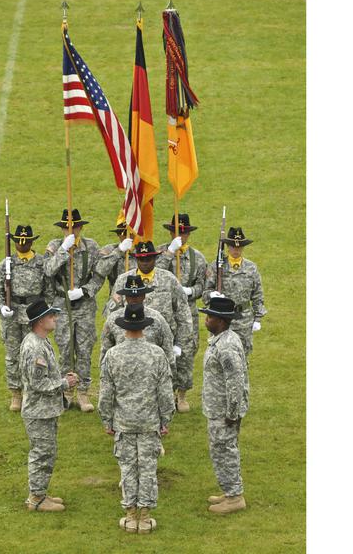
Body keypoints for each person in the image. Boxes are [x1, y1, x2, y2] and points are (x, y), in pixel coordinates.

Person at [98, 303, 175, 533]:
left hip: (123, 421)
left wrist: (107, 420)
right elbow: (165, 392)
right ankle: (145, 515)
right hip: (150, 421)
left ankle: (130, 515)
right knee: (148, 468)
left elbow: (106, 393)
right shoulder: (157, 354)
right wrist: (165, 420)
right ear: (144, 326)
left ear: (123, 328)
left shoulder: (113, 355)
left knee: (128, 467)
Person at [43, 208, 106, 412]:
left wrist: (84, 291)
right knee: (66, 349)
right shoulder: (54, 246)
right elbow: (48, 270)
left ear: (80, 227)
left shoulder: (91, 247)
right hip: (62, 306)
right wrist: (63, 249)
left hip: (84, 305)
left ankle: (84, 392)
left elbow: (99, 275)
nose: (70, 231)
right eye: (66, 227)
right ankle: (67, 390)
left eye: (74, 227)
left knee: (85, 348)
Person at [19, 300, 79, 512]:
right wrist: (65, 383)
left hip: (45, 410)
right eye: (51, 315)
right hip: (39, 411)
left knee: (48, 452)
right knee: (42, 453)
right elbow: (37, 383)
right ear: (39, 321)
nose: (55, 318)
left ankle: (40, 492)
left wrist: (62, 378)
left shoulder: (41, 341)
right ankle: (36, 499)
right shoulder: (35, 347)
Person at [111, 241, 192, 384]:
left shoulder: (168, 279)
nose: (145, 262)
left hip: (162, 340)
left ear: (155, 259)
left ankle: (178, 397)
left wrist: (179, 343)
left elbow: (183, 314)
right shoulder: (123, 280)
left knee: (164, 378)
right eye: (141, 259)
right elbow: (113, 314)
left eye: (148, 259)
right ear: (136, 259)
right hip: (131, 339)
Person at [0, 224, 52, 411]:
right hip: (12, 314)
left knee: (35, 355)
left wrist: (43, 313)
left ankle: (32, 390)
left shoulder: (41, 263)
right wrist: (1, 307)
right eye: (19, 241)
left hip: (33, 315)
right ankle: (16, 393)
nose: (22, 245)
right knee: (12, 355)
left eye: (26, 242)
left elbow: (48, 291)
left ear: (32, 242)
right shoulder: (6, 264)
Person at [198, 296, 249, 514]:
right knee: (221, 450)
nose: (206, 320)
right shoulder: (222, 339)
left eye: (210, 317)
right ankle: (229, 492)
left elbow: (235, 380)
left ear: (221, 320)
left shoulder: (226, 346)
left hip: (223, 410)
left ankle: (235, 497)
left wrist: (232, 411)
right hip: (218, 408)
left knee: (224, 450)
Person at [155, 213, 207, 412]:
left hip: (188, 313)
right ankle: (165, 393)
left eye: (184, 232)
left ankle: (182, 395)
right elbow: (154, 275)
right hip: (164, 311)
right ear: (170, 232)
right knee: (163, 351)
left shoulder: (198, 258)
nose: (181, 236)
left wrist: (191, 291)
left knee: (186, 352)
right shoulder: (160, 252)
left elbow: (202, 286)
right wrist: (170, 252)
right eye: (177, 232)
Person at [203, 227, 267, 356]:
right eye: (233, 246)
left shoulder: (251, 268)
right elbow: (205, 293)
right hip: (221, 319)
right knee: (218, 355)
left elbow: (257, 294)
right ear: (227, 247)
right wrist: (211, 295)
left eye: (239, 247)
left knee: (242, 357)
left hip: (244, 319)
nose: (236, 250)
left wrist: (258, 318)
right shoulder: (217, 266)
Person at [99, 275, 175, 368]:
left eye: (137, 295)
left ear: (143, 296)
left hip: (150, 375)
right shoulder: (113, 319)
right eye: (131, 296)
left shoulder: (157, 319)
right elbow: (105, 352)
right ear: (126, 297)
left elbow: (168, 352)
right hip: (121, 374)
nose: (134, 299)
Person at [95, 219, 136, 298]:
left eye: (129, 233)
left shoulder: (143, 250)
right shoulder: (109, 250)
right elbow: (100, 270)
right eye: (121, 233)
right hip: (116, 297)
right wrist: (119, 251)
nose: (126, 236)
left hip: (139, 296)